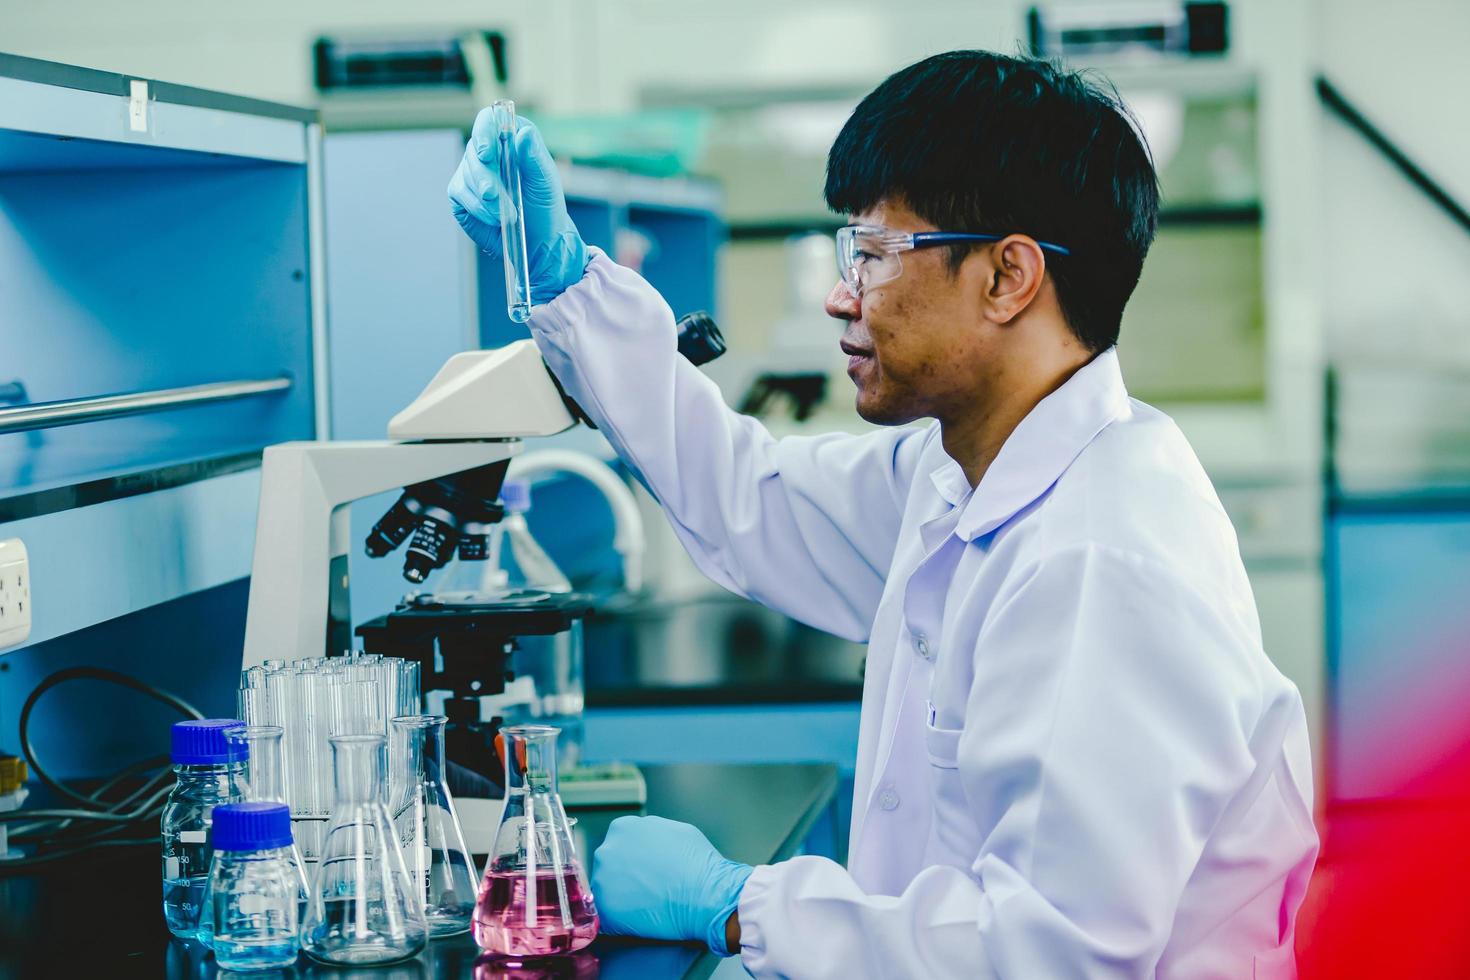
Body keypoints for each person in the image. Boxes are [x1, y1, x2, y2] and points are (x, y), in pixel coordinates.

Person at [449, 50, 1318, 979]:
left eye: (871, 255)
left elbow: (1051, 956)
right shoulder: (959, 472)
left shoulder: (1100, 559)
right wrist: (567, 290)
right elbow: (749, 495)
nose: (840, 295)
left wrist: (739, 905)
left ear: (1008, 278)